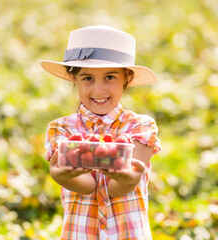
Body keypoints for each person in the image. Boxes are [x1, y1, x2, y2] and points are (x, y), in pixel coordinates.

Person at [41, 25, 162, 239]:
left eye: (110, 77)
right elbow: (87, 186)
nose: (99, 90)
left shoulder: (141, 127)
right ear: (74, 79)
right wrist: (62, 175)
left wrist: (127, 178)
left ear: (126, 78)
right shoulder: (62, 129)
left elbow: (117, 188)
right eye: (88, 78)